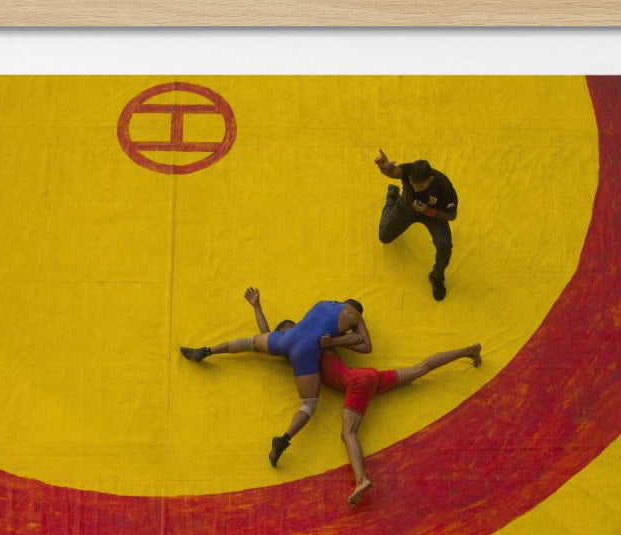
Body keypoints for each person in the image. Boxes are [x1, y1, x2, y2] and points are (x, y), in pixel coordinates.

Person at [249, 289, 481, 507]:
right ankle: (467, 350)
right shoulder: (316, 340)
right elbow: (268, 336)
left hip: (356, 383)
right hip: (369, 377)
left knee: (347, 433)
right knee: (421, 368)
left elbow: (266, 338)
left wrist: (260, 310)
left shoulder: (307, 349)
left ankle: (362, 479)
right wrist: (257, 306)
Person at [179, 288, 371, 466]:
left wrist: (257, 306)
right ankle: (284, 439)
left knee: (250, 342)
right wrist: (339, 339)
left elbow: (266, 334)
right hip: (306, 351)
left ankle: (206, 350)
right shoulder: (353, 314)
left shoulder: (321, 304)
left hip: (286, 340)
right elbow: (366, 346)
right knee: (308, 404)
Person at [374, 150, 459, 301]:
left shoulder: (445, 188)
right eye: (412, 184)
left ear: (430, 179)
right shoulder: (409, 171)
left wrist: (428, 211)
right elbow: (395, 172)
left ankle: (437, 277)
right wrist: (384, 168)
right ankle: (392, 198)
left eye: (420, 186)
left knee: (445, 246)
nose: (414, 188)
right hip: (406, 208)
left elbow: (452, 216)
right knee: (384, 237)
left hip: (434, 216)